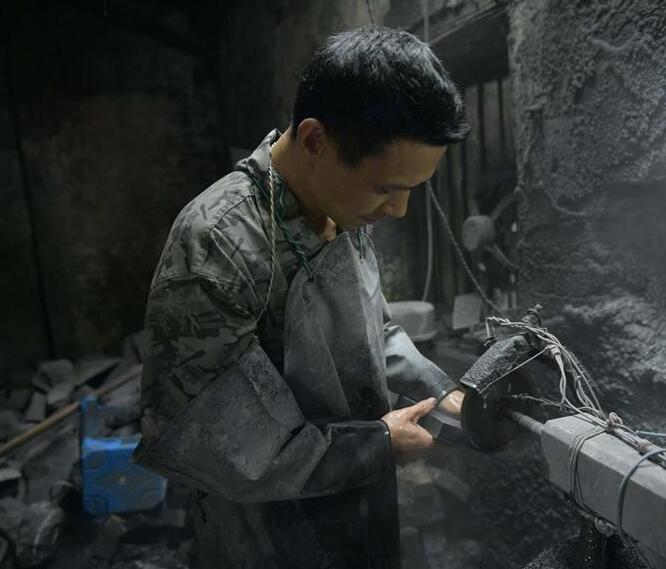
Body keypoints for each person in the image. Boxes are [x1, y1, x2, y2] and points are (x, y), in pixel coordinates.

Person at [131, 25, 470, 569]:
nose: (398, 210)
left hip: (358, 507)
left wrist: (441, 393)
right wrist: (378, 445)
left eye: (411, 189)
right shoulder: (218, 245)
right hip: (266, 536)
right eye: (387, 188)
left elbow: (374, 333)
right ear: (315, 140)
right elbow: (221, 446)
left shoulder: (342, 208)